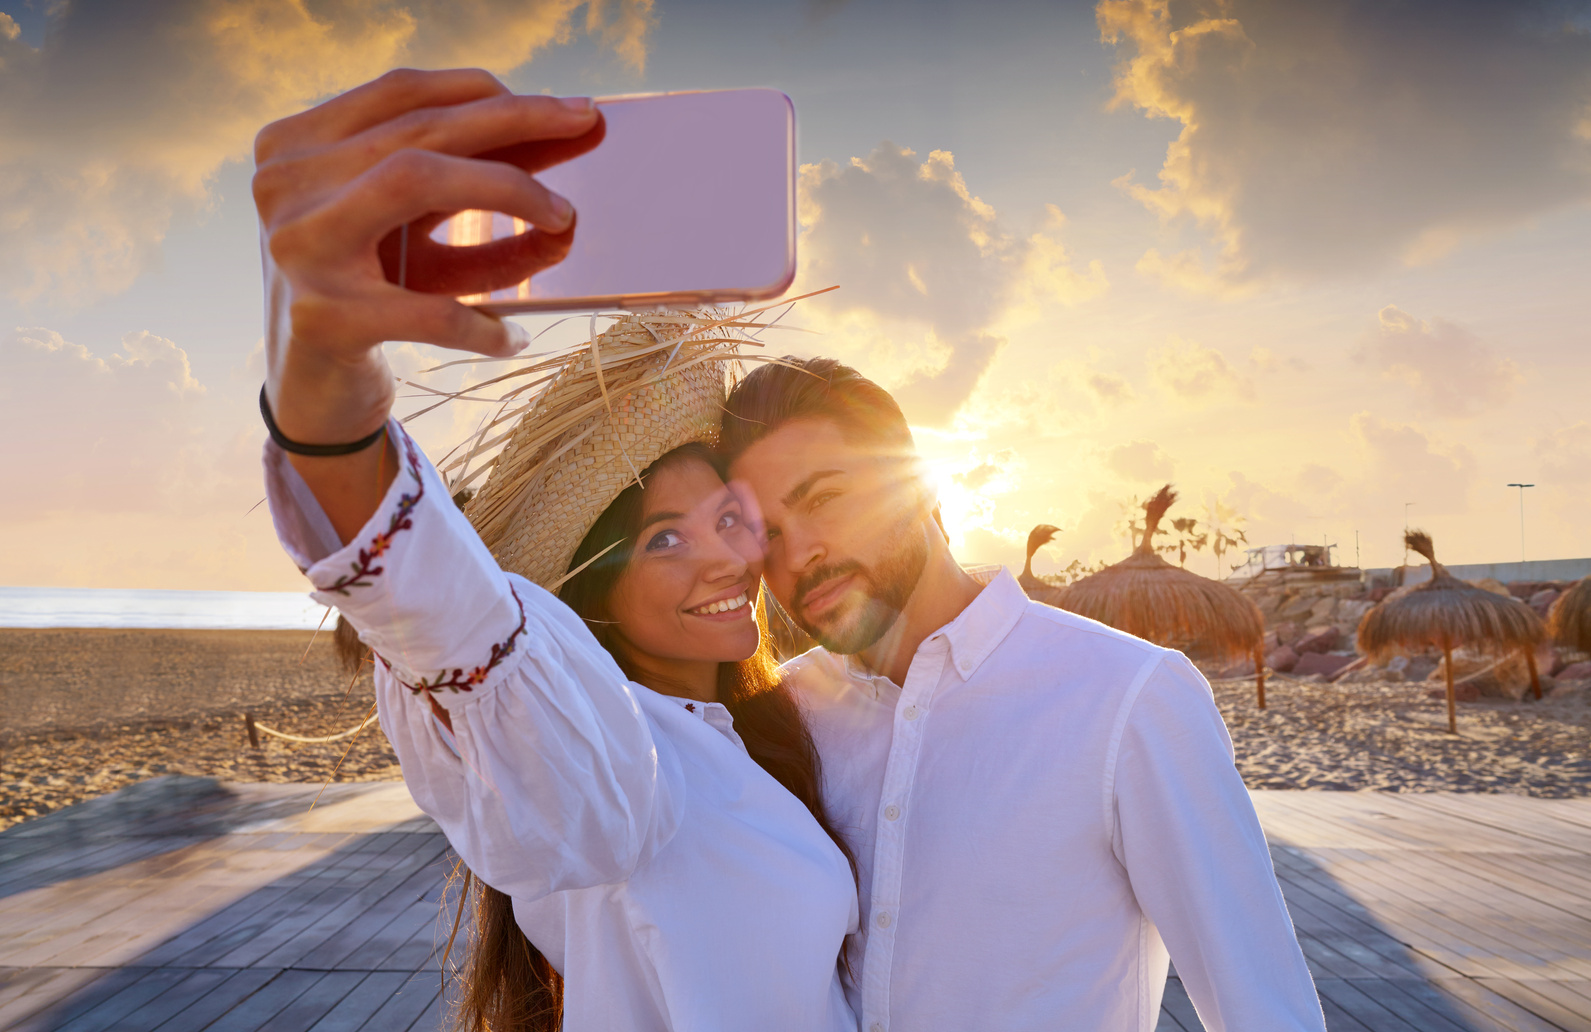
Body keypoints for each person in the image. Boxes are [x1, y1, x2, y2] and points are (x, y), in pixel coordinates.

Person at [255, 69, 858, 1032]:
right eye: (664, 537)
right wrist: (326, 406)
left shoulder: (760, 732)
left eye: (726, 518)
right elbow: (461, 626)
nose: (726, 559)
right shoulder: (610, 758)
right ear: (590, 588)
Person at [720, 358, 1327, 1032]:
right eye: (765, 533)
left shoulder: (1124, 698)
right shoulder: (779, 716)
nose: (797, 551)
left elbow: (1262, 1009)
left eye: (822, 498)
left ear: (916, 488)